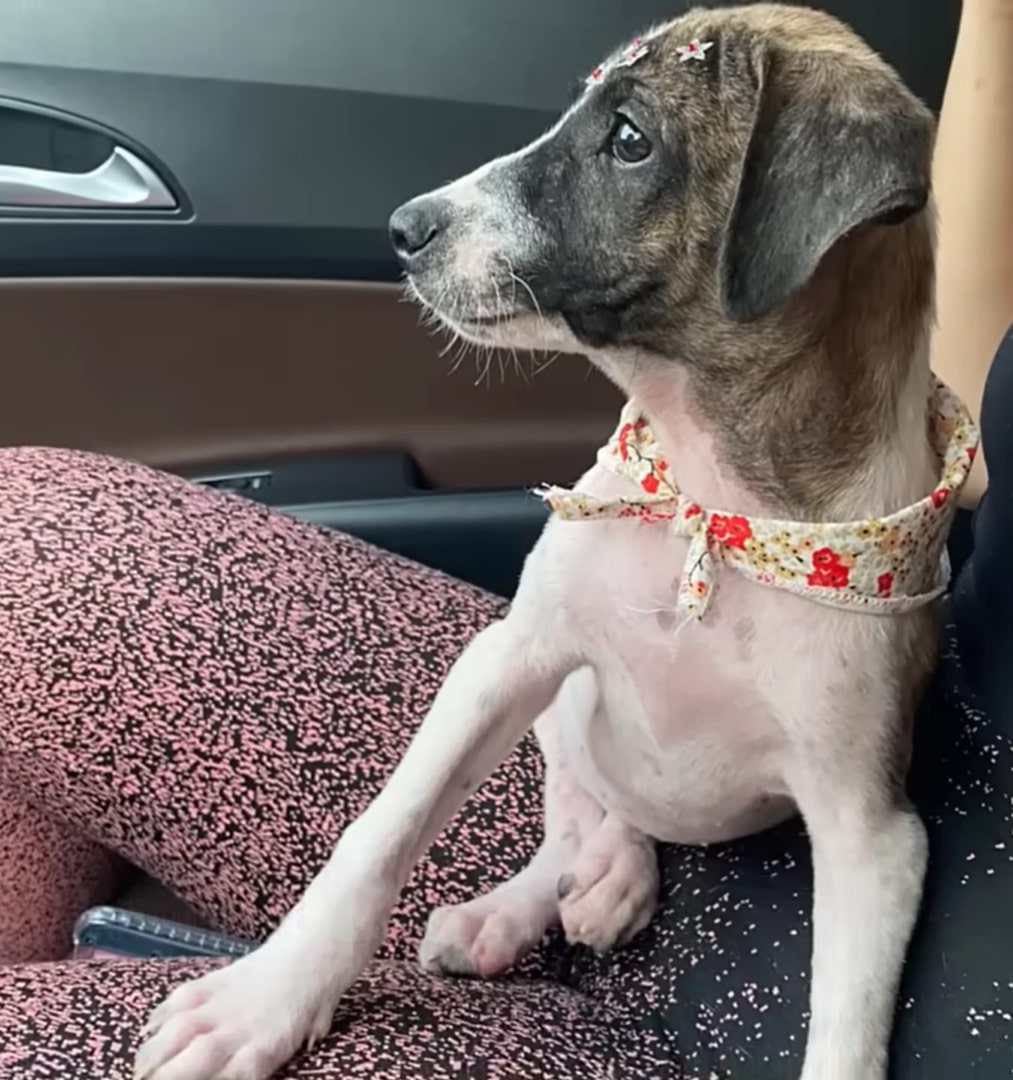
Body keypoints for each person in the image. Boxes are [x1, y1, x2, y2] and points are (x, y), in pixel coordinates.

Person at [1, 3, 1011, 1077]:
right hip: (606, 782)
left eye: (624, 143)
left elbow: (868, 837)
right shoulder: (643, 480)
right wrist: (322, 940)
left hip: (780, 960)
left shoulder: (855, 600)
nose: (449, 211)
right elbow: (514, 665)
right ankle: (568, 851)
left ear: (793, 215)